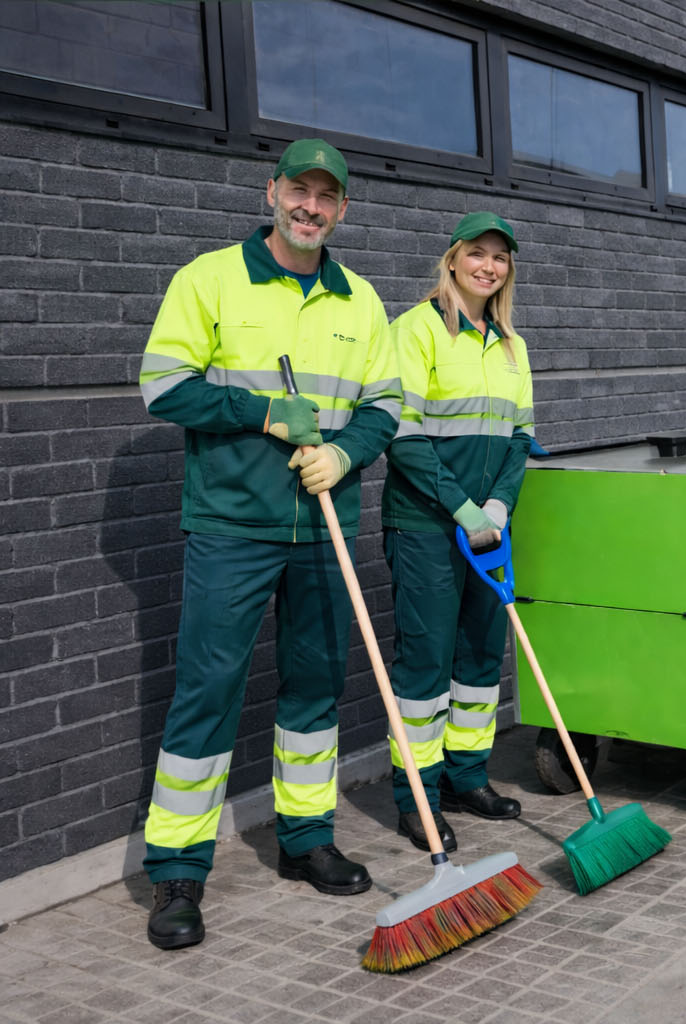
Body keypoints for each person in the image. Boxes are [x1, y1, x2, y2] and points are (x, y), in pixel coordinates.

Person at [137, 139, 402, 949]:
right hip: (231, 525)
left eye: (326, 197)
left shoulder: (361, 301)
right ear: (272, 192)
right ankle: (178, 873)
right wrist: (259, 413)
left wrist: (346, 451)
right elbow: (163, 386)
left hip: (322, 526)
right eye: (298, 190)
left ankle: (306, 838)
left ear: (343, 209)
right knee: (207, 690)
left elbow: (384, 405)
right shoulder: (209, 279)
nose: (310, 207)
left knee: (315, 690)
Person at [381, 212, 532, 851]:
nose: (488, 266)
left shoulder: (511, 344)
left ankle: (468, 777)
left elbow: (520, 438)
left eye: (500, 257)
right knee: (425, 662)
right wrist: (462, 509)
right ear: (452, 259)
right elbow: (403, 435)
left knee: (478, 658)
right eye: (478, 253)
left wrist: (496, 508)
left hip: (487, 529)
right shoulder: (413, 330)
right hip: (425, 527)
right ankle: (419, 796)